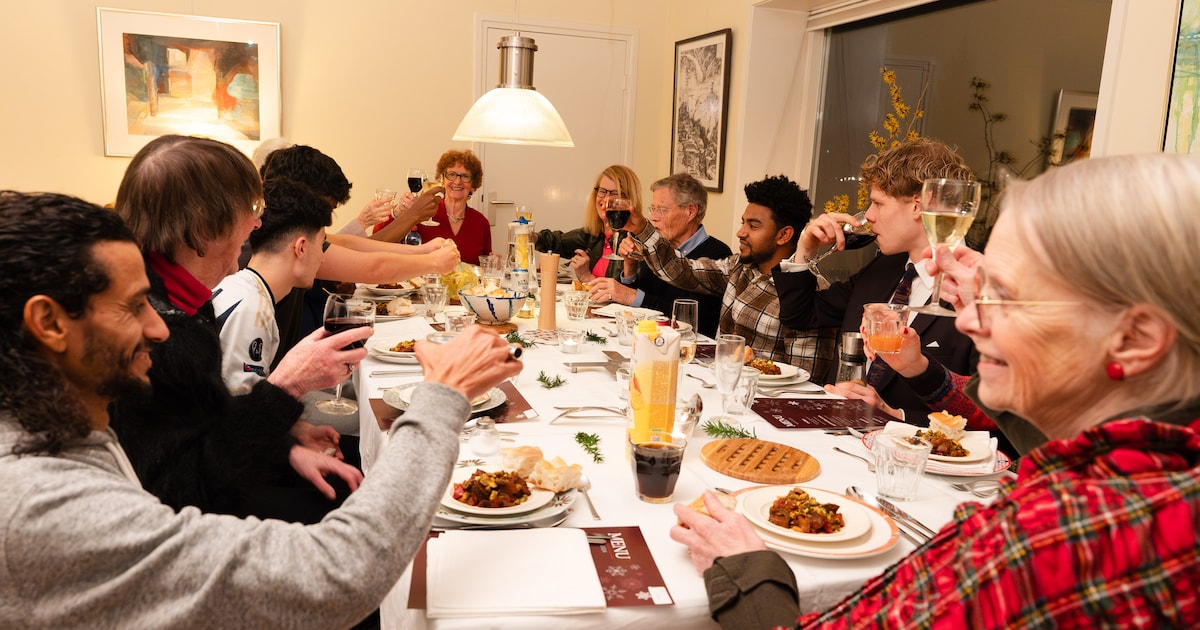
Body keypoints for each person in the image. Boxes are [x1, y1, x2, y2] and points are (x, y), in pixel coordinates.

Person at [671, 153, 1200, 628]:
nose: (969, 319)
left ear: (1134, 340)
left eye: (1007, 298)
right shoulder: (1158, 468)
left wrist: (746, 571)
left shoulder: (1065, 532)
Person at [0, 190, 522, 628]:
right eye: (133, 306)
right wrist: (443, 396)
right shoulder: (37, 504)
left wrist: (279, 444)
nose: (159, 329)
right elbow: (336, 573)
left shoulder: (63, 422)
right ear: (48, 322)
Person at [108, 135, 362, 523]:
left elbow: (210, 426)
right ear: (207, 225)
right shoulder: (154, 327)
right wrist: (287, 387)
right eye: (252, 208)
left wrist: (287, 445)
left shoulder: (187, 300)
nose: (259, 223)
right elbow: (190, 490)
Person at [774, 138, 979, 401]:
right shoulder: (884, 267)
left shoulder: (978, 289)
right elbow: (799, 316)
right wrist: (805, 249)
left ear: (918, 205)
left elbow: (989, 418)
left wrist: (895, 416)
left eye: (878, 203)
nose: (868, 215)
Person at [260, 144, 460, 357]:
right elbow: (375, 268)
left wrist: (423, 251)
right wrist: (433, 262)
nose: (328, 219)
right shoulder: (288, 238)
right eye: (327, 209)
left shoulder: (288, 227)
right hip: (296, 362)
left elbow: (348, 244)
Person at [628, 174, 836, 376]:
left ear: (783, 235)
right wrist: (641, 228)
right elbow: (681, 270)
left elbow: (806, 379)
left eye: (753, 226)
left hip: (763, 402)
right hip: (718, 383)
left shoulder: (811, 290)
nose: (741, 232)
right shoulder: (739, 267)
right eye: (743, 223)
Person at [212, 178, 332, 395]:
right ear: (301, 248)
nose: (322, 258)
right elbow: (243, 413)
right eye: (322, 244)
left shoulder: (240, 288)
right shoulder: (252, 310)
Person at [587, 172, 731, 337]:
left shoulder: (718, 255)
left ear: (690, 212)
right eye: (653, 209)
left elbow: (691, 321)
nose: (653, 218)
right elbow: (632, 308)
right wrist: (630, 266)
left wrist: (630, 296)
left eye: (662, 210)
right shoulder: (657, 245)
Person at [374, 149, 491, 264]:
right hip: (423, 282)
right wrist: (398, 212)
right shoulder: (424, 211)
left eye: (465, 176)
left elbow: (484, 263)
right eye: (451, 175)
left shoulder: (481, 222)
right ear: (442, 180)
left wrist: (493, 262)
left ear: (473, 184)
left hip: (465, 283)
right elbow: (377, 242)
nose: (457, 181)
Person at [535, 164, 649, 283]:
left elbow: (626, 293)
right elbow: (553, 241)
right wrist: (529, 236)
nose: (605, 200)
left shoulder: (636, 244)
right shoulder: (592, 235)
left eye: (614, 194)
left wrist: (586, 277)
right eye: (602, 191)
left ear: (629, 200)